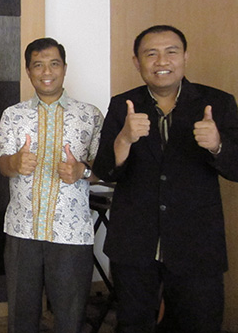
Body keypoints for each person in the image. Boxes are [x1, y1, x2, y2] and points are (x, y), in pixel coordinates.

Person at [93, 25, 238, 332]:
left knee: (199, 324)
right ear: (137, 62)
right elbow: (105, 171)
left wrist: (217, 145)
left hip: (197, 244)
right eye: (151, 54)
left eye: (171, 52)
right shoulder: (123, 104)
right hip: (134, 243)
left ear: (185, 56)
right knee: (133, 324)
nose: (162, 61)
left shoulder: (218, 102)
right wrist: (124, 139)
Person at [0, 38, 103, 332]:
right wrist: (15, 162)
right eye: (38, 65)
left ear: (64, 68)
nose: (47, 72)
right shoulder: (13, 115)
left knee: (70, 318)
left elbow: (105, 169)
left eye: (54, 64)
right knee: (21, 318)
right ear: (28, 71)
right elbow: (2, 165)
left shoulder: (90, 115)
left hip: (71, 233)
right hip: (22, 230)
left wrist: (82, 170)